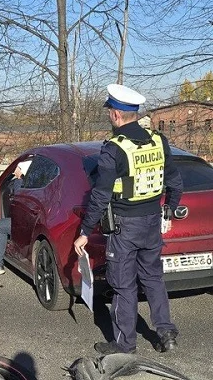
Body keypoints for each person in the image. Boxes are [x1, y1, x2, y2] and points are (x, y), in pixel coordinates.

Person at [73, 83, 183, 355]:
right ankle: (166, 332)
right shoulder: (158, 140)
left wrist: (85, 231)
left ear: (116, 115)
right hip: (152, 222)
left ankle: (125, 346)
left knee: (123, 285)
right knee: (153, 278)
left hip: (125, 227)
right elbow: (175, 183)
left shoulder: (114, 148)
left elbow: (100, 194)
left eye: (110, 110)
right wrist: (168, 209)